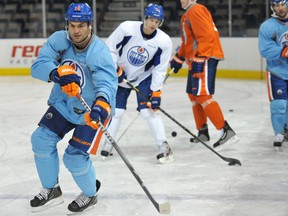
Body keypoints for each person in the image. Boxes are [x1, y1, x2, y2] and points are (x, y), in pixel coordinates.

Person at [29, 3, 117, 213]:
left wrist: (100, 106)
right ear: (67, 24)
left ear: (90, 25)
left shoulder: (98, 52)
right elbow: (38, 65)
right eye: (72, 25)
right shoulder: (59, 40)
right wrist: (56, 73)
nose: (76, 31)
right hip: (64, 105)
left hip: (91, 111)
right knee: (40, 139)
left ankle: (90, 194)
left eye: (81, 25)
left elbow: (107, 84)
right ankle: (51, 189)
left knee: (74, 156)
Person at [102, 3, 174, 163]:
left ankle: (163, 144)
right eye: (152, 20)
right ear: (145, 18)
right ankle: (109, 142)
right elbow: (109, 49)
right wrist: (115, 69)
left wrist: (156, 91)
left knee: (148, 110)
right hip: (121, 76)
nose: (153, 24)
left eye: (157, 22)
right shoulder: (126, 28)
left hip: (144, 77)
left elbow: (160, 68)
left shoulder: (164, 41)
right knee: (117, 111)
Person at [170, 0, 239, 149]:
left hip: (204, 58)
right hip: (195, 59)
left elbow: (207, 35)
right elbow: (188, 42)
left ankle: (225, 130)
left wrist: (201, 57)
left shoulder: (196, 10)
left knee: (202, 95)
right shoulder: (187, 15)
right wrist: (179, 57)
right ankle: (202, 131)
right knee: (193, 95)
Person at [259, 0, 288, 149]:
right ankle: (279, 132)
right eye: (276, 5)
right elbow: (264, 50)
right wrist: (283, 51)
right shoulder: (267, 26)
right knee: (279, 104)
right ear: (272, 7)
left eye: (282, 4)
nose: (280, 8)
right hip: (276, 72)